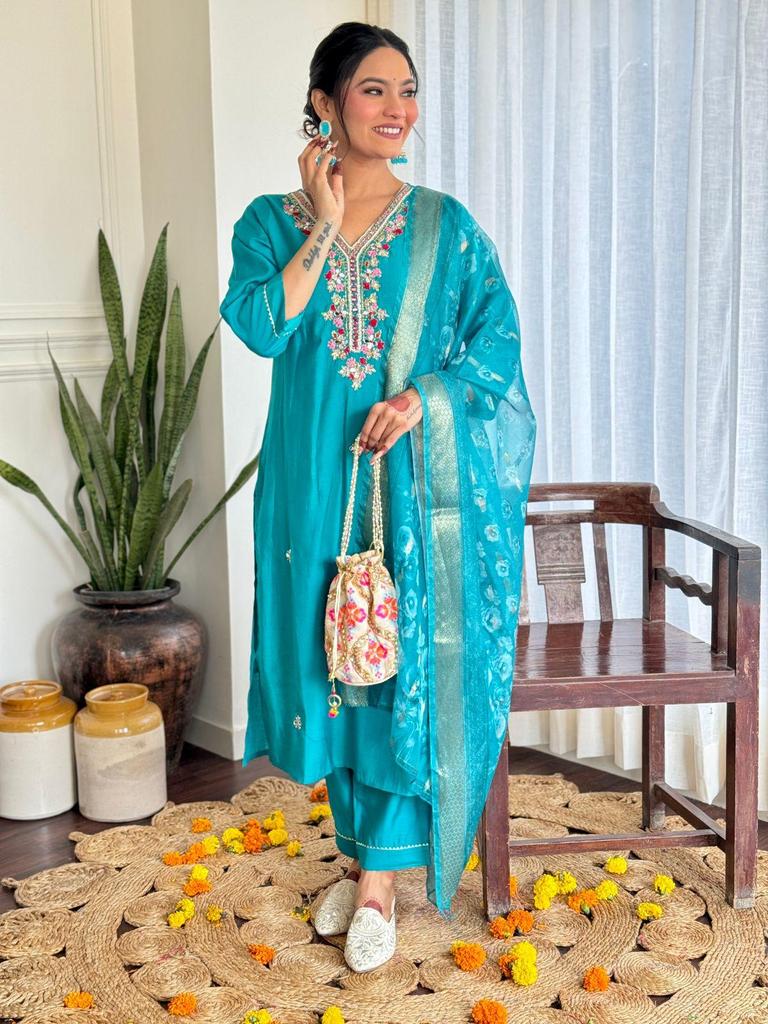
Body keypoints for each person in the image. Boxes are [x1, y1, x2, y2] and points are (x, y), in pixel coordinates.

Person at [219, 21, 536, 971]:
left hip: (408, 483)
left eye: (408, 90)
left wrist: (420, 400)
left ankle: (378, 888)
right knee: (334, 662)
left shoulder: (444, 226)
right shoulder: (269, 222)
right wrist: (323, 222)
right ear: (325, 103)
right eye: (373, 90)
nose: (398, 109)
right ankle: (364, 857)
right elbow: (264, 328)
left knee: (397, 663)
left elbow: (496, 348)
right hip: (311, 482)